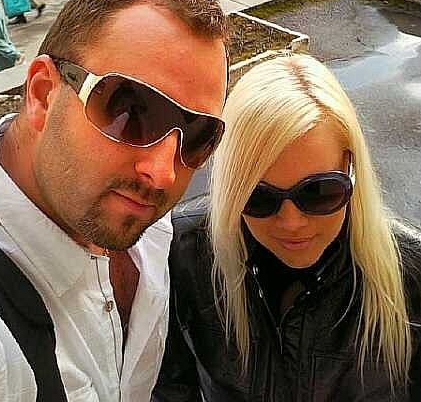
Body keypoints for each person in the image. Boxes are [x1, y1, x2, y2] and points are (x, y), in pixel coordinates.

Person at [0, 0, 228, 401]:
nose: (163, 173)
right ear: (43, 94)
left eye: (198, 134)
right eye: (130, 111)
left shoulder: (143, 220)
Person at [153, 53, 421, 401]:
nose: (292, 222)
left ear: (352, 170)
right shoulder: (185, 253)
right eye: (259, 198)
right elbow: (169, 388)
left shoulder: (411, 274)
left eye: (319, 192)